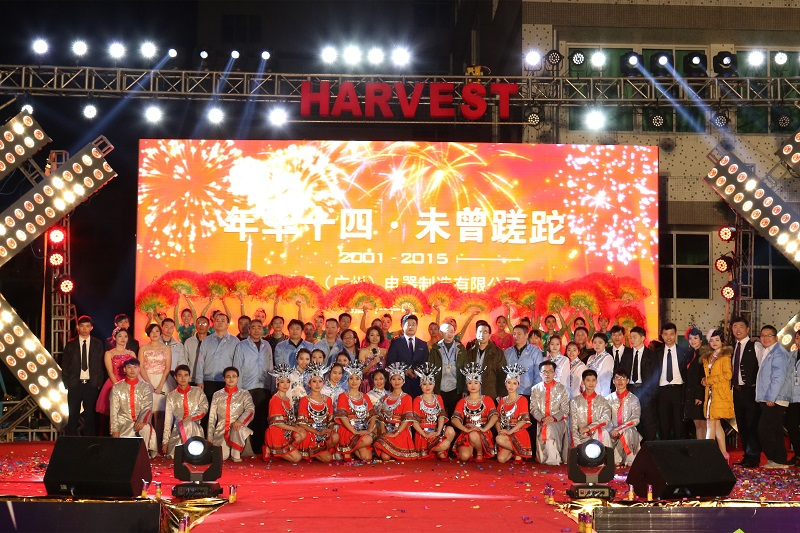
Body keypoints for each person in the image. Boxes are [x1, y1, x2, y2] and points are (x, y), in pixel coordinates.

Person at [232, 318, 274, 457]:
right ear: (249, 330)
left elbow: (270, 366)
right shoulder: (241, 346)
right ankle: (245, 448)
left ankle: (258, 449)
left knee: (261, 419)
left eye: (259, 327)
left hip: (264, 386)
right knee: (247, 417)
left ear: (263, 329)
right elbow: (237, 367)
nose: (256, 330)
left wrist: (272, 386)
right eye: (253, 327)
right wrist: (238, 389)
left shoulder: (267, 345)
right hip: (247, 387)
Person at [755, 324, 793, 469]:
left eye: (769, 335)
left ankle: (775, 458)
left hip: (774, 398)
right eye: (762, 335)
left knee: (764, 428)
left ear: (776, 338)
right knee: (775, 429)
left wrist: (771, 397)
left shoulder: (778, 353)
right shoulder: (768, 351)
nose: (765, 338)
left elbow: (778, 376)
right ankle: (779, 459)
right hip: (769, 397)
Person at [62, 315, 105, 436]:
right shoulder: (71, 344)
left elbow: (101, 364)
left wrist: (98, 383)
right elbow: (65, 364)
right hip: (75, 384)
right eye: (82, 326)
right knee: (73, 414)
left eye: (87, 326)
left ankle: (89, 441)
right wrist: (67, 383)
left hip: (91, 384)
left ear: (91, 328)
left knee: (90, 415)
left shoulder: (97, 344)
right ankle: (71, 440)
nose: (84, 329)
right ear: (77, 327)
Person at [730, 316, 761, 468]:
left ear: (748, 329)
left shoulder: (756, 346)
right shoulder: (733, 347)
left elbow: (762, 367)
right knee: (741, 425)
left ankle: (754, 457)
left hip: (751, 391)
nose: (738, 330)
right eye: (735, 326)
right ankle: (747, 455)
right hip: (737, 392)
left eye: (741, 326)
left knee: (751, 425)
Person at [110, 358, 158, 457]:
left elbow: (147, 406)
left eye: (135, 367)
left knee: (145, 428)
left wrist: (142, 421)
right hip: (123, 422)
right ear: (124, 369)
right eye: (129, 367)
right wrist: (114, 429)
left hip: (139, 421)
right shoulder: (117, 387)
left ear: (139, 369)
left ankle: (142, 456)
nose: (132, 370)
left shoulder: (145, 387)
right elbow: (114, 410)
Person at [451, 362, 498, 462]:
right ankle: (472, 450)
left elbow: (494, 416)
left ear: (480, 384)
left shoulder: (487, 399)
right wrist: (465, 429)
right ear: (466, 385)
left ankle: (480, 452)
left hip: (483, 432)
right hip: (467, 432)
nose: (473, 386)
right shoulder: (462, 402)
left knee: (474, 435)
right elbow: (454, 419)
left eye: (476, 383)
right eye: (470, 383)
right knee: (464, 457)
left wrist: (485, 428)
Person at [700, 329, 733, 463]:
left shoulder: (725, 356)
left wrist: (708, 380)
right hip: (711, 393)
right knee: (716, 424)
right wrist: (706, 380)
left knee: (710, 423)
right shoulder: (710, 356)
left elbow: (728, 375)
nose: (714, 343)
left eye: (717, 340)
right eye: (711, 340)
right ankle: (724, 453)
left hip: (719, 394)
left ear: (722, 341)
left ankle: (707, 455)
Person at [208, 367, 255, 462]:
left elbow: (250, 410)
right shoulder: (217, 395)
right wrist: (210, 436)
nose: (231, 379)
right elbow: (212, 417)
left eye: (234, 376)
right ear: (224, 378)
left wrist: (240, 421)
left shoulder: (244, 394)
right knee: (222, 457)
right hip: (221, 429)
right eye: (228, 376)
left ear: (238, 378)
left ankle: (236, 453)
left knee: (237, 428)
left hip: (237, 428)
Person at [162, 365, 208, 458]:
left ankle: (190, 453)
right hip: (178, 431)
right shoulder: (171, 396)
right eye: (180, 375)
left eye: (186, 375)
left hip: (195, 429)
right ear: (175, 377)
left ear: (189, 377)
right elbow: (168, 420)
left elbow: (204, 408)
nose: (183, 378)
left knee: (188, 424)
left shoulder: (198, 391)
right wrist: (165, 441)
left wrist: (192, 417)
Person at [373, 363, 417, 461]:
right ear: (390, 381)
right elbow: (381, 417)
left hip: (400, 432)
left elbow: (407, 419)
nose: (396, 381)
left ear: (403, 381)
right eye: (393, 379)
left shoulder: (407, 398)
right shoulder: (386, 397)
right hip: (387, 431)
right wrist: (383, 430)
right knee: (384, 455)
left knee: (386, 455)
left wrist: (395, 433)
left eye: (399, 379)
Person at [530, 360, 570, 465]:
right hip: (542, 421)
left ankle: (553, 458)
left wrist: (553, 418)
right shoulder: (535, 389)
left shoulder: (562, 389)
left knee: (549, 427)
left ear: (554, 373)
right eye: (544, 372)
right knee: (547, 426)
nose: (547, 374)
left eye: (550, 371)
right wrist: (542, 418)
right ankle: (550, 457)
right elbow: (533, 408)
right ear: (540, 374)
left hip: (558, 421)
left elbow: (565, 409)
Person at [411, 363, 455, 460]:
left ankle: (439, 450)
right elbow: (414, 421)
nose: (427, 387)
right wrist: (424, 434)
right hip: (423, 433)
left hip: (436, 431)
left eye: (430, 384)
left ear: (434, 385)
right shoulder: (417, 400)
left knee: (450, 431)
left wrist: (438, 431)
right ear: (420, 385)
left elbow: (441, 416)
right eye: (424, 384)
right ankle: (439, 450)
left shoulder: (438, 398)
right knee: (445, 444)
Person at [196, 313, 240, 407]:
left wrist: (236, 382)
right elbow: (200, 361)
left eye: (223, 321)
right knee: (207, 408)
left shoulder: (235, 341)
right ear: (214, 323)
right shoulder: (206, 340)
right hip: (208, 381)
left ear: (228, 324)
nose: (220, 323)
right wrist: (199, 380)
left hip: (227, 382)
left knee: (224, 409)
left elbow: (237, 364)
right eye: (217, 320)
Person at [336, 361, 377, 461]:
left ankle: (348, 450)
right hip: (348, 430)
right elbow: (343, 417)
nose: (354, 381)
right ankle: (345, 448)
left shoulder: (365, 396)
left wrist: (369, 429)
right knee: (368, 439)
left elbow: (372, 415)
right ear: (347, 380)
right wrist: (354, 431)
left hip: (362, 429)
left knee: (367, 457)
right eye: (351, 378)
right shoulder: (343, 396)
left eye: (357, 379)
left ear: (361, 380)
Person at [298, 362, 339, 462]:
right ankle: (314, 451)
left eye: (320, 381)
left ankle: (318, 451)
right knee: (328, 459)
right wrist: (318, 432)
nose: (317, 384)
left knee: (335, 436)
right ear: (309, 383)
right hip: (311, 433)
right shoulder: (304, 400)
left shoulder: (328, 400)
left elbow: (331, 421)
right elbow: (302, 423)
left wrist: (328, 430)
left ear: (323, 383)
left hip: (323, 432)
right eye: (314, 381)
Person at [139, 323, 173, 443]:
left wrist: (160, 385)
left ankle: (159, 443)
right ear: (148, 334)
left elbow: (167, 368)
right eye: (152, 331)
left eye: (157, 331)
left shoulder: (166, 348)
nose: (154, 334)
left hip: (162, 380)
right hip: (145, 379)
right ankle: (146, 443)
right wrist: (148, 383)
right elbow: (141, 367)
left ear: (160, 333)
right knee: (146, 412)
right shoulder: (143, 348)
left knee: (160, 413)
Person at [655, 322, 689, 440]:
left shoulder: (683, 352)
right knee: (664, 424)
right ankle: (665, 448)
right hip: (662, 392)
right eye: (666, 334)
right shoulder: (656, 353)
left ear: (675, 335)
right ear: (662, 336)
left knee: (678, 423)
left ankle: (679, 449)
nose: (668, 337)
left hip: (678, 391)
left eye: (671, 334)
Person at [265, 364, 305, 463]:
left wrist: (298, 428)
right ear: (277, 383)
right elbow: (277, 423)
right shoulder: (275, 399)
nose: (285, 385)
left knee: (302, 433)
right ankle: (272, 449)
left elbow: (290, 419)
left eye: (287, 382)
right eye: (282, 382)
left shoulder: (287, 399)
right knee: (297, 458)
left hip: (286, 430)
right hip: (277, 431)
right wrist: (295, 429)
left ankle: (278, 451)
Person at [458, 321, 507, 401]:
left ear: (489, 335)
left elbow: (502, 374)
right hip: (473, 392)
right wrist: (465, 389)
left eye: (485, 332)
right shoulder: (470, 352)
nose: (482, 335)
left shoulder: (497, 352)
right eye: (480, 332)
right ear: (476, 334)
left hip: (491, 393)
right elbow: (466, 372)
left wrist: (501, 393)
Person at [495, 363, 533, 463]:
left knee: (499, 439)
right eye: (509, 382)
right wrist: (500, 431)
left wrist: (509, 432)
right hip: (505, 434)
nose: (511, 386)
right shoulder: (502, 400)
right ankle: (516, 451)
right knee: (501, 459)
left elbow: (523, 421)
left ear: (518, 384)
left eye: (514, 383)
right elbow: (497, 419)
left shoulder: (522, 399)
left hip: (518, 432)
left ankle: (519, 451)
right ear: (505, 383)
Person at [428, 322, 466, 417]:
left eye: (452, 331)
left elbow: (465, 369)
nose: (450, 334)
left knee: (455, 416)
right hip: (439, 387)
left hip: (455, 388)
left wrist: (465, 389)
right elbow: (430, 369)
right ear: (441, 333)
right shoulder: (435, 349)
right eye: (447, 331)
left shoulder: (460, 348)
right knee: (440, 416)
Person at [386, 314, 429, 397]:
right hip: (401, 384)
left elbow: (425, 362)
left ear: (417, 326)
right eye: (408, 324)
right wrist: (404, 370)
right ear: (402, 326)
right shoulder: (396, 343)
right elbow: (390, 361)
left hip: (419, 383)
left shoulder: (423, 344)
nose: (411, 327)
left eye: (413, 324)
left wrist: (417, 371)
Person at [606, 368, 642, 466]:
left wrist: (619, 429)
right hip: (611, 432)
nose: (620, 381)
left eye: (623, 378)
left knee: (627, 432)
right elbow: (605, 418)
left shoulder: (633, 399)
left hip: (628, 432)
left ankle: (630, 461)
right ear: (613, 381)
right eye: (617, 378)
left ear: (628, 381)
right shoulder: (608, 399)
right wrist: (612, 430)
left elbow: (635, 419)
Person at [628, 326, 658, 441]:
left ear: (642, 338)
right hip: (631, 390)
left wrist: (652, 391)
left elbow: (655, 374)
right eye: (631, 337)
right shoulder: (627, 353)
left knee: (648, 420)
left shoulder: (651, 354)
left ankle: (649, 446)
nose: (632, 339)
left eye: (634, 337)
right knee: (632, 419)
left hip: (646, 390)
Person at [570, 369, 612, 447]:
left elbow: (606, 419)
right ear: (583, 382)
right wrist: (577, 445)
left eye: (593, 380)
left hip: (599, 436)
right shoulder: (574, 402)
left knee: (602, 432)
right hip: (581, 437)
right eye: (588, 380)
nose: (591, 383)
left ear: (596, 382)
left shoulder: (603, 401)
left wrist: (589, 428)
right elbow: (573, 426)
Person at [504, 324, 543, 400]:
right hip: (511, 393)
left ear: (526, 335)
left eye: (519, 334)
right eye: (514, 334)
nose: (516, 336)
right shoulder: (508, 352)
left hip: (528, 392)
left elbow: (538, 374)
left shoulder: (535, 351)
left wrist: (535, 392)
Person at [684, 328, 707, 439]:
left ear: (701, 340)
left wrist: (699, 395)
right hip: (690, 393)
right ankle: (700, 445)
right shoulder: (690, 354)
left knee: (702, 423)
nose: (693, 341)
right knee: (697, 424)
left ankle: (706, 446)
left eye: (695, 338)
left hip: (699, 394)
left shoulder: (704, 354)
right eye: (690, 338)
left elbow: (703, 376)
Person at [182, 316, 210, 385]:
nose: (201, 326)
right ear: (195, 325)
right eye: (199, 323)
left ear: (208, 326)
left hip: (208, 379)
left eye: (204, 324)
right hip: (192, 378)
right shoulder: (188, 342)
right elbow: (185, 360)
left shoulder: (213, 342)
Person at [358, 326, 387, 392]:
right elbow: (360, 371)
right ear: (368, 336)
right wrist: (371, 364)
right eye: (372, 335)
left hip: (381, 383)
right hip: (368, 383)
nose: (375, 338)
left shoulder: (384, 351)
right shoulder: (363, 351)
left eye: (377, 335)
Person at [786, 330, 800, 466]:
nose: (799, 341)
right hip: (792, 398)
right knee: (792, 426)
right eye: (797, 338)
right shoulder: (791, 356)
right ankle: (798, 454)